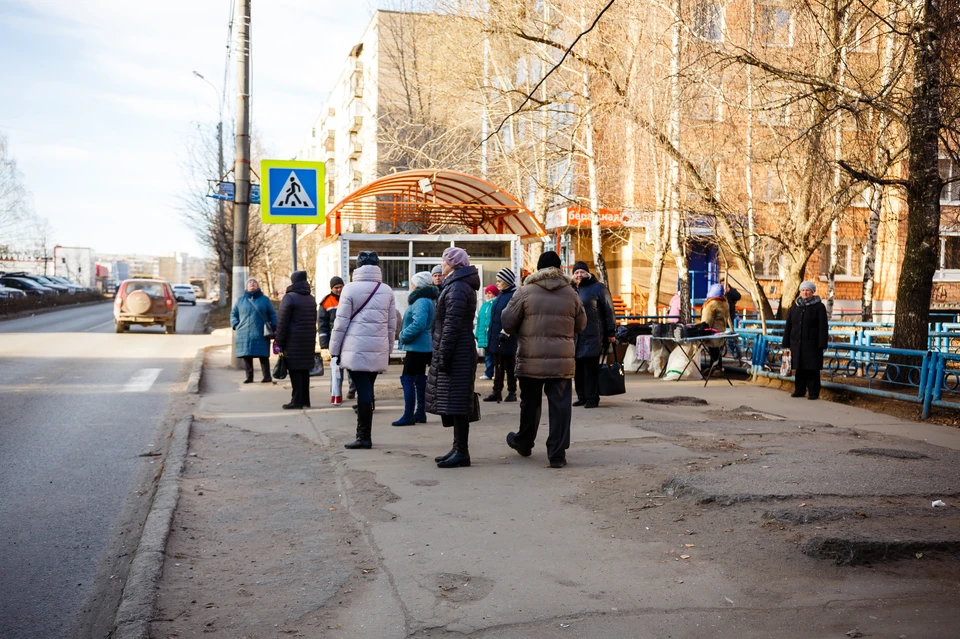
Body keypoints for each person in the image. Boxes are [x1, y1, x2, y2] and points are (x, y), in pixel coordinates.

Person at [501, 251, 586, 468]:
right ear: (559, 269)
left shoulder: (524, 291)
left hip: (531, 359)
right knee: (560, 406)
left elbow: (508, 323)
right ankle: (557, 454)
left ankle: (524, 442)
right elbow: (581, 325)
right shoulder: (571, 293)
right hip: (562, 360)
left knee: (530, 403)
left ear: (538, 269)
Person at [330, 251, 397, 448]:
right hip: (378, 348)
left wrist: (334, 350)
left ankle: (363, 437)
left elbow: (340, 323)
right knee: (367, 390)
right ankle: (363, 436)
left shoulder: (349, 289)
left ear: (357, 268)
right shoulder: (386, 290)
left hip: (355, 348)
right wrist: (388, 349)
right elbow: (391, 325)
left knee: (363, 393)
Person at [426, 247, 481, 468]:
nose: (442, 265)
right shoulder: (455, 285)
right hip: (457, 350)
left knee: (458, 403)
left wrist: (443, 356)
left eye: (444, 261)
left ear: (454, 264)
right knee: (455, 402)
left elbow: (451, 326)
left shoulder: (457, 287)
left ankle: (462, 451)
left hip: (457, 352)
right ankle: (458, 448)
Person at [392, 271, 437, 426]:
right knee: (419, 379)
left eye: (412, 283)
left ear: (417, 284)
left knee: (408, 379)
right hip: (423, 346)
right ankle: (420, 412)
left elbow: (419, 324)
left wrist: (403, 335)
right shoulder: (427, 299)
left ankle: (408, 414)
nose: (411, 285)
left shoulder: (421, 301)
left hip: (417, 347)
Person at [570, 262, 616, 408]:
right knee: (577, 368)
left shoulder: (598, 287)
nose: (579, 275)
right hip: (576, 336)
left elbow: (609, 310)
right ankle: (581, 396)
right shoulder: (571, 289)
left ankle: (592, 398)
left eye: (582, 272)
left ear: (588, 273)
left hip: (593, 333)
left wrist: (611, 331)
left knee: (590, 367)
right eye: (576, 272)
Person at [275, 271, 318, 409]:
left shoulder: (289, 298)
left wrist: (279, 341)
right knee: (304, 371)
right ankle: (306, 400)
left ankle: (297, 401)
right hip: (308, 341)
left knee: (295, 371)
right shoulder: (311, 298)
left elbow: (282, 322)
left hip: (293, 341)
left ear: (293, 281)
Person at [783, 281, 829, 400]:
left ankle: (813, 392)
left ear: (812, 292)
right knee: (799, 368)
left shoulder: (819, 306)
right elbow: (789, 325)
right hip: (797, 343)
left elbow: (823, 326)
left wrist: (822, 343)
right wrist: (786, 343)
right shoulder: (796, 306)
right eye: (803, 290)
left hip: (812, 344)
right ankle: (799, 390)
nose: (805, 292)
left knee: (812, 369)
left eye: (808, 290)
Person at [230, 277, 277, 384]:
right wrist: (235, 324)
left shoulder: (265, 300)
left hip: (261, 332)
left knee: (263, 355)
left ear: (258, 286)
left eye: (254, 282)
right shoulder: (240, 300)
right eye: (250, 282)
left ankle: (267, 376)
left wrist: (275, 327)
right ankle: (249, 377)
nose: (252, 284)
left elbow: (272, 314)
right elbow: (234, 314)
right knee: (247, 356)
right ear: (246, 286)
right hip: (244, 332)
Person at [318, 276, 358, 399]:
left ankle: (352, 389)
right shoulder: (326, 302)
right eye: (336, 288)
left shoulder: (349, 298)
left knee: (351, 366)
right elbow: (322, 324)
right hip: (334, 340)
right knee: (336, 368)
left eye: (341, 287)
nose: (339, 290)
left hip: (349, 339)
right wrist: (324, 344)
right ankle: (336, 392)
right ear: (332, 288)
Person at [484, 268, 519, 403]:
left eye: (500, 281)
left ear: (507, 282)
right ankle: (496, 391)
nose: (497, 284)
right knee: (497, 366)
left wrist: (506, 333)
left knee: (509, 366)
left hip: (508, 338)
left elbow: (514, 317)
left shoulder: (513, 296)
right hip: (496, 337)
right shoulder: (501, 295)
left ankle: (512, 391)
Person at [700, 282, 734, 371]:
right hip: (721, 331)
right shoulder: (725, 303)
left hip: (712, 332)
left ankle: (716, 369)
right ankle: (716, 368)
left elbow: (707, 321)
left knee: (713, 351)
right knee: (717, 352)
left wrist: (702, 330)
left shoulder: (711, 304)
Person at [476, 285, 498, 380]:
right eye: (487, 293)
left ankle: (497, 373)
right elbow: (480, 321)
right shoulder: (484, 306)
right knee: (488, 356)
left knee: (495, 356)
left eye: (490, 293)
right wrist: (477, 334)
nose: (488, 295)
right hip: (484, 335)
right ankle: (489, 373)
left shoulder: (495, 305)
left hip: (492, 335)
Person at [723, 278, 742, 358]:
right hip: (722, 317)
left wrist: (729, 291)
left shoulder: (731, 292)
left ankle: (735, 352)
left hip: (730, 316)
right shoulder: (719, 292)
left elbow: (738, 296)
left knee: (731, 334)